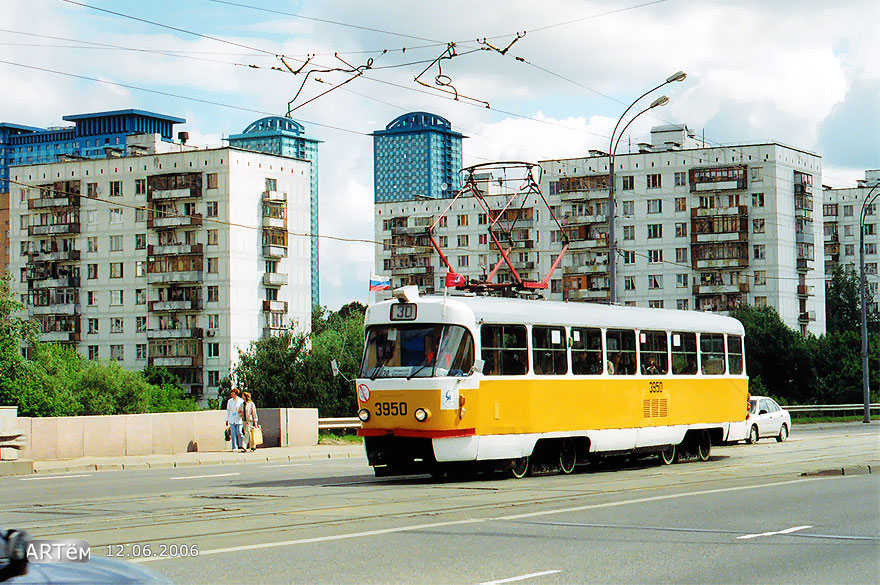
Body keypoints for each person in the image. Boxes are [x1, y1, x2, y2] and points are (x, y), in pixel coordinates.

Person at [225, 388, 244, 452]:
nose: (232, 395)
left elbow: (243, 409)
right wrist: (227, 419)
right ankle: (234, 447)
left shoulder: (240, 401)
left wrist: (242, 413)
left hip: (238, 419)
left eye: (233, 393)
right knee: (233, 433)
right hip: (231, 419)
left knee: (239, 432)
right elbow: (228, 411)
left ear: (236, 394)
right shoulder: (230, 401)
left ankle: (242, 445)